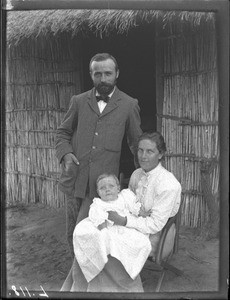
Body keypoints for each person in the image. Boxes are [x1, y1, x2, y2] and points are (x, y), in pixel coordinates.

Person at [60, 131, 182, 293]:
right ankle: (81, 288)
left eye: (150, 151)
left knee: (108, 246)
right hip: (129, 224)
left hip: (157, 234)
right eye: (140, 150)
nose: (143, 156)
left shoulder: (168, 184)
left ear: (161, 154)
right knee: (90, 237)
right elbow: (126, 201)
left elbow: (155, 225)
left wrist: (123, 221)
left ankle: (123, 290)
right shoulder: (137, 174)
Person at [55, 53, 142, 257]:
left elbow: (136, 142)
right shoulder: (78, 101)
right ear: (91, 75)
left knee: (99, 231)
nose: (103, 79)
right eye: (98, 74)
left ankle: (98, 272)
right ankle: (79, 273)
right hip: (76, 178)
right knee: (74, 231)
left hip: (103, 185)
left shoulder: (129, 104)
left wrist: (143, 174)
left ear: (117, 74)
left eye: (108, 73)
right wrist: (66, 154)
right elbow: (63, 132)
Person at [73, 173, 152, 283]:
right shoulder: (98, 203)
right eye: (102, 188)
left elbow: (135, 208)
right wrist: (104, 232)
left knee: (140, 242)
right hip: (108, 228)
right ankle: (107, 269)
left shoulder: (124, 197)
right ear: (98, 191)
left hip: (124, 226)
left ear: (118, 188)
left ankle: (129, 270)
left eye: (111, 186)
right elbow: (100, 220)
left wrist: (143, 213)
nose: (107, 190)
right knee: (101, 239)